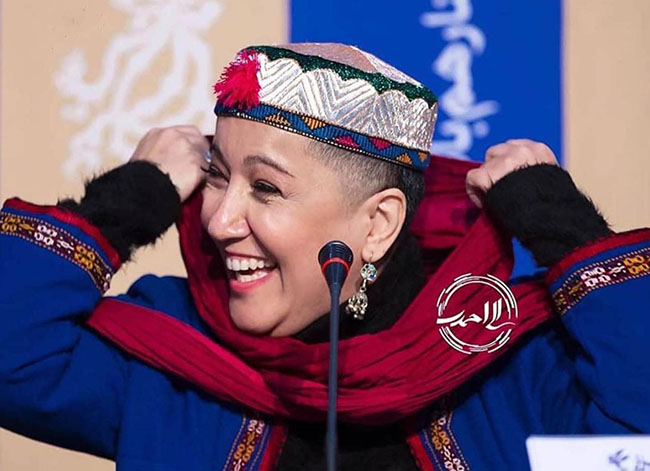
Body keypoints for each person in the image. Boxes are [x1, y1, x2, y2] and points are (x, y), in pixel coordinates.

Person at [0, 43, 648, 471]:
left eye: (266, 188)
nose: (219, 221)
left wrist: (564, 227)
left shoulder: (507, 361)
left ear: (377, 225)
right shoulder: (169, 350)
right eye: (217, 175)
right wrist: (130, 198)